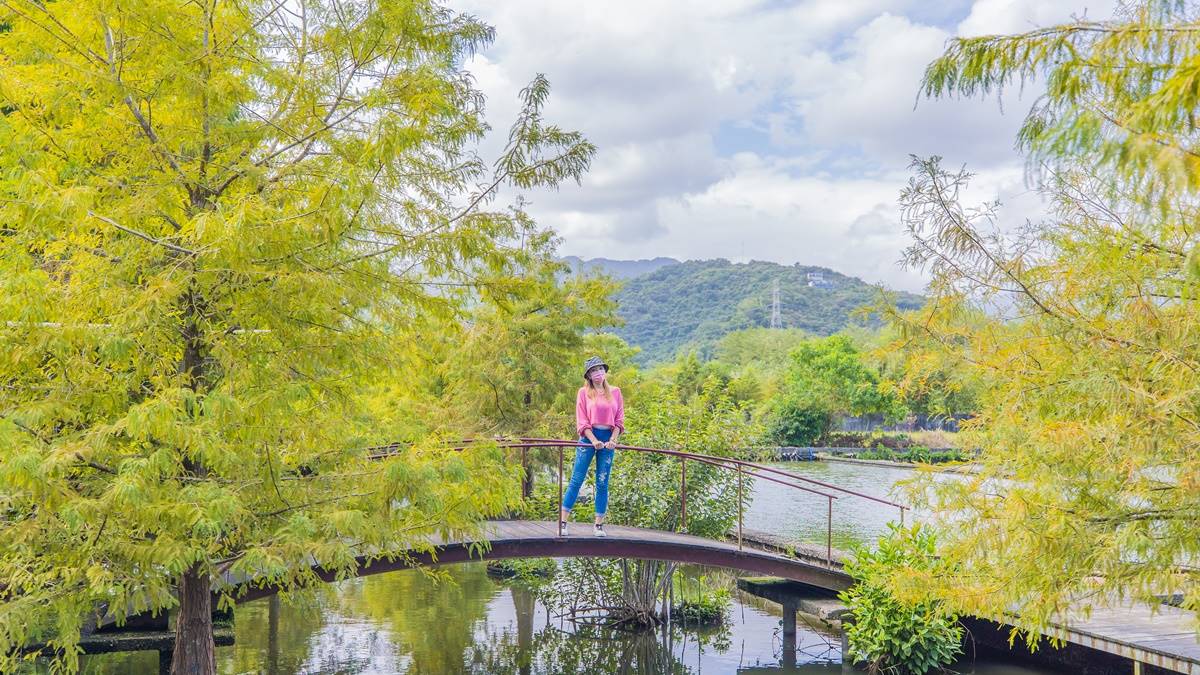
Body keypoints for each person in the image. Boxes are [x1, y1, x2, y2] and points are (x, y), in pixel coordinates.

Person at [560, 356, 624, 537]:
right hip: (588, 438)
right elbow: (582, 420)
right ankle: (563, 522)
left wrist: (613, 439)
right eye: (594, 371)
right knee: (576, 479)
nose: (598, 373)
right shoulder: (583, 392)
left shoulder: (616, 392)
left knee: (603, 481)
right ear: (588, 375)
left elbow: (619, 419)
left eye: (601, 369)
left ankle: (598, 525)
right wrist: (593, 439)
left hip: (607, 440)